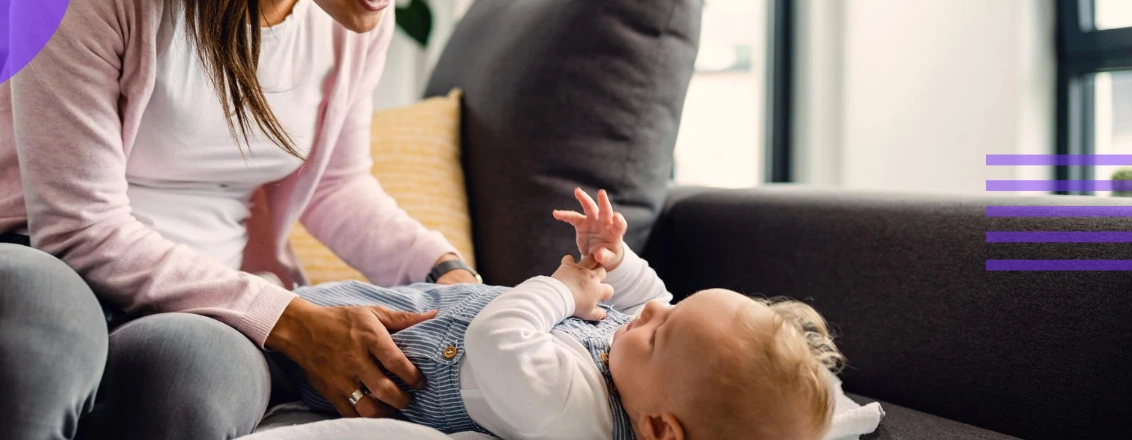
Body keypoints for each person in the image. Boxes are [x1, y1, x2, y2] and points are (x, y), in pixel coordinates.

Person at [0, 0, 480, 438]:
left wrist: (446, 269)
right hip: (30, 252)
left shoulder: (354, 5)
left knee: (193, 375)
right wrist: (292, 320)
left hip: (211, 299)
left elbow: (336, 187)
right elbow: (77, 228)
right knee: (34, 318)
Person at [284, 189, 846, 440]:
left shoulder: (573, 413)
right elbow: (652, 298)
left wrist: (564, 288)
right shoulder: (654, 380)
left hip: (363, 346)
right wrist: (614, 258)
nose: (650, 310)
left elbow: (495, 338)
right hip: (411, 304)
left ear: (658, 430)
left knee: (274, 318)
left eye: (658, 333)